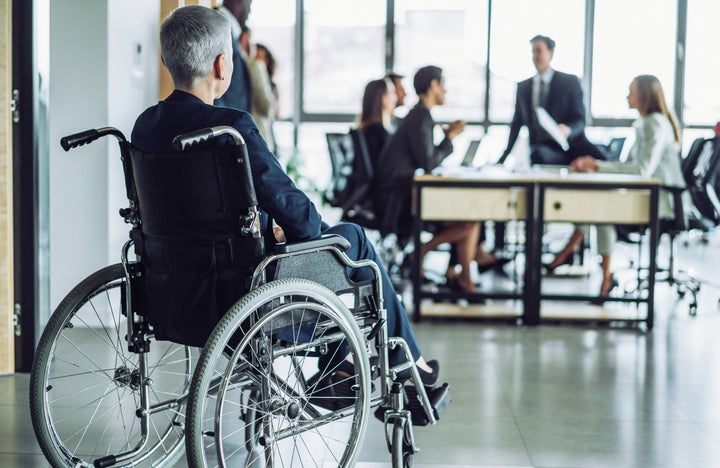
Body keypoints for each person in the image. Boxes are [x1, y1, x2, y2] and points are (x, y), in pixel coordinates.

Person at [131, 5, 439, 385]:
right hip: (238, 291)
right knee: (352, 241)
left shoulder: (146, 126)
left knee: (317, 244)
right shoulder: (230, 128)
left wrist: (268, 228)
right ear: (221, 65)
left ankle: (344, 367)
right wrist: (297, 233)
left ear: (165, 60)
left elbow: (194, 211)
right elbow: (295, 210)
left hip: (169, 287)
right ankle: (404, 366)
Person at [546, 75, 685, 298]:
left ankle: (593, 269)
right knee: (598, 205)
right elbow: (629, 166)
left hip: (662, 200)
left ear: (645, 96)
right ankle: (574, 256)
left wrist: (597, 167)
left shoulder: (655, 123)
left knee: (602, 212)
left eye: (632, 92)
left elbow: (641, 170)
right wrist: (594, 165)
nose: (627, 96)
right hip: (648, 194)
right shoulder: (646, 123)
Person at [375, 65, 502, 293]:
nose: (445, 91)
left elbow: (425, 158)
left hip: (402, 193)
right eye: (443, 85)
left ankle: (457, 274)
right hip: (399, 200)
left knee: (470, 219)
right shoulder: (420, 117)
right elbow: (429, 163)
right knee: (471, 221)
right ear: (433, 85)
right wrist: (450, 137)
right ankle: (427, 257)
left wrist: (444, 139)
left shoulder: (420, 116)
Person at [499, 35, 605, 166]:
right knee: (537, 154)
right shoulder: (523, 88)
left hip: (571, 146)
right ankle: (573, 164)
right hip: (541, 150)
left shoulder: (569, 82)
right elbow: (516, 125)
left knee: (603, 161)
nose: (535, 56)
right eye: (533, 52)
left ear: (551, 53)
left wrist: (568, 129)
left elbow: (580, 120)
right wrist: (501, 160)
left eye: (539, 51)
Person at [214, 0, 252, 112]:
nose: (249, 10)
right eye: (249, 3)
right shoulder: (217, 26)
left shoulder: (232, 32)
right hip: (223, 123)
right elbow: (212, 83)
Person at [244, 34, 278, 152]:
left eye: (264, 58)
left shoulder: (271, 84)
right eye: (258, 57)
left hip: (265, 134)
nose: (261, 62)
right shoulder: (255, 67)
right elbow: (267, 107)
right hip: (261, 135)